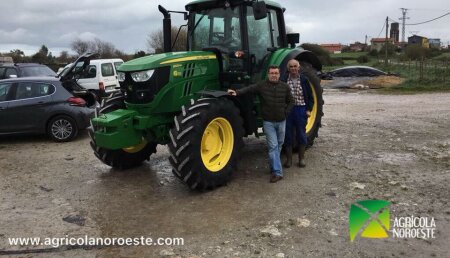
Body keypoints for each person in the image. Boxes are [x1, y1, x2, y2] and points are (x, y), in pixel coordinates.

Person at [228, 66, 294, 183]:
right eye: (272, 73)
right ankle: (277, 172)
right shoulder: (262, 85)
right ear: (268, 74)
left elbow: (291, 101)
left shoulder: (285, 87)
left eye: (276, 73)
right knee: (273, 146)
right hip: (268, 122)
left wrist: (286, 112)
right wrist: (236, 92)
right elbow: (248, 89)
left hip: (281, 121)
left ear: (279, 75)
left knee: (279, 144)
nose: (274, 75)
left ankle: (273, 164)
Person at [281, 59, 314, 168]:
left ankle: (301, 158)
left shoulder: (304, 80)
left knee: (301, 133)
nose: (293, 68)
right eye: (291, 66)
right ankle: (289, 160)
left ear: (298, 68)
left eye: (295, 66)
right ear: (288, 68)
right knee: (288, 134)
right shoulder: (284, 79)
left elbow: (310, 97)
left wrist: (308, 110)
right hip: (288, 110)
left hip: (301, 109)